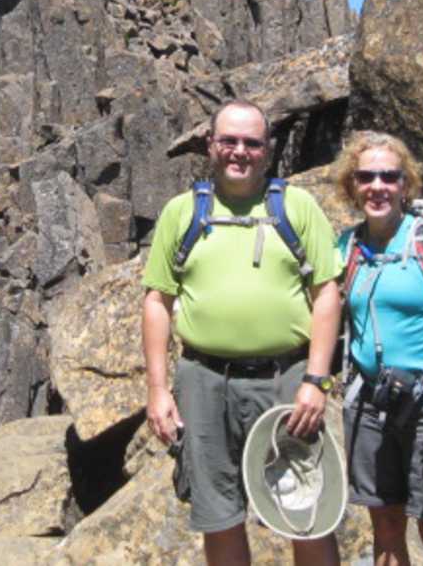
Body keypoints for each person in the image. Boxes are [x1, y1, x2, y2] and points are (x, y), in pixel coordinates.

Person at [142, 100, 341, 566]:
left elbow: (327, 292)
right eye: (228, 140)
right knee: (219, 515)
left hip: (288, 379)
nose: (239, 151)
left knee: (306, 509)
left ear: (267, 151)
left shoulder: (296, 206)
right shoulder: (182, 213)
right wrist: (157, 389)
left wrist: (317, 379)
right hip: (203, 381)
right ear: (210, 145)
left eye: (252, 143)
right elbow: (157, 302)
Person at [334, 131, 423, 566]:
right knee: (387, 529)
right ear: (352, 186)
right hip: (370, 404)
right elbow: (324, 315)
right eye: (366, 177)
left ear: (405, 184)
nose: (377, 186)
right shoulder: (346, 247)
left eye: (389, 176)